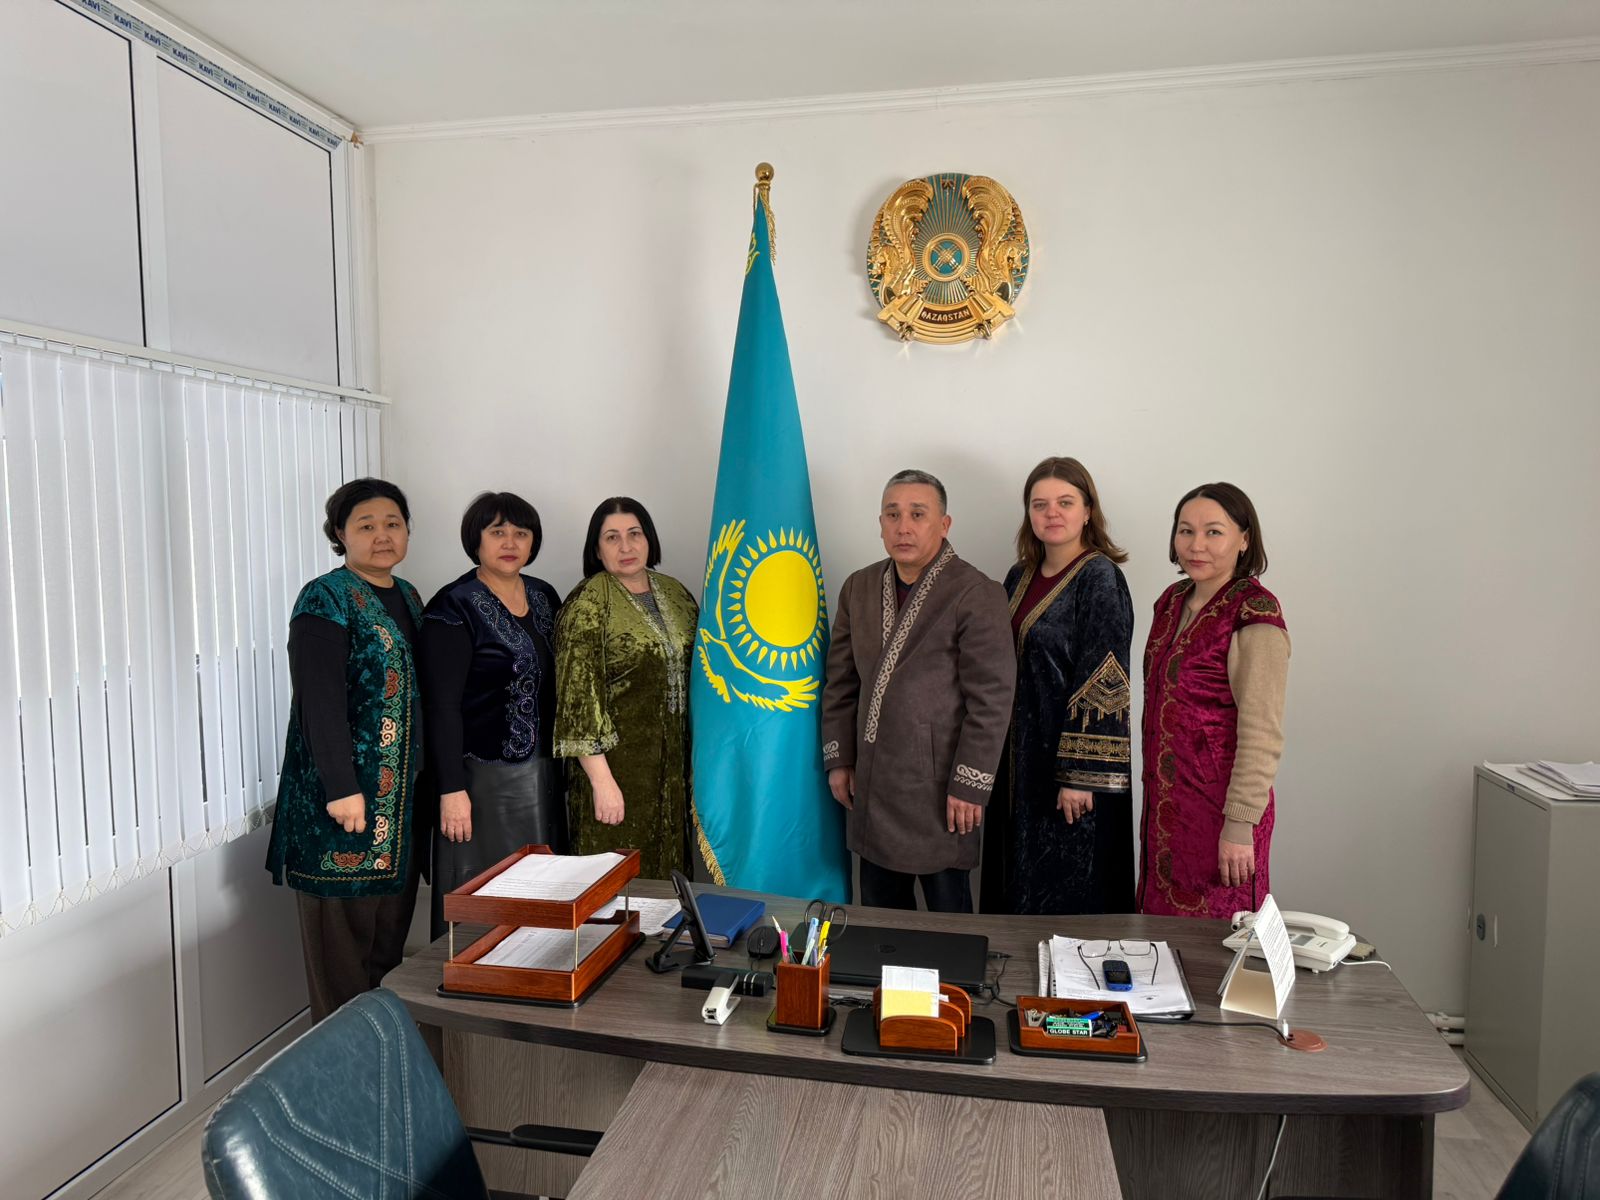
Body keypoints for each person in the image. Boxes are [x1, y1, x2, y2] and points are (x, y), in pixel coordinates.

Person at [820, 469, 1016, 913]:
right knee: (882, 921)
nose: (903, 527)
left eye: (917, 514)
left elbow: (992, 700)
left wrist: (970, 784)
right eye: (892, 514)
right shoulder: (859, 587)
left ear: (943, 525)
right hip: (873, 783)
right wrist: (840, 759)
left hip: (941, 789)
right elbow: (841, 683)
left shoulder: (976, 592)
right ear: (880, 524)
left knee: (950, 926)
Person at [266, 478, 424, 1022]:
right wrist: (341, 788)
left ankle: (383, 1062)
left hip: (396, 813)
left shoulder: (408, 596)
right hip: (342, 808)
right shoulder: (324, 598)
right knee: (341, 970)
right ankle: (341, 1069)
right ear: (340, 533)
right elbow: (319, 702)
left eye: (393, 524)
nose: (383, 536)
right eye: (366, 525)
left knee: (385, 958)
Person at [981, 457, 1135, 916]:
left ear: (1088, 511)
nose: (1052, 513)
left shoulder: (1100, 577)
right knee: (1015, 879)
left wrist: (1080, 775)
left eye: (1065, 502)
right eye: (1040, 504)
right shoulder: (1019, 576)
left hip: (1069, 773)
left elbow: (1106, 677)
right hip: (1017, 760)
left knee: (1065, 887)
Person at [1137, 482, 1290, 918]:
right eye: (1185, 531)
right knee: (1160, 938)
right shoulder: (1171, 602)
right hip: (1166, 813)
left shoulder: (1254, 614)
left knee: (1217, 936)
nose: (1196, 545)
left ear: (1244, 539)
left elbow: (1262, 730)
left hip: (1223, 816)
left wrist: (1239, 824)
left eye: (1213, 532)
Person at [420, 491, 564, 939]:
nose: (510, 542)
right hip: (479, 783)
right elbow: (441, 705)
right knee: (485, 898)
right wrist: (451, 790)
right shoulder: (453, 606)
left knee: (543, 896)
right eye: (497, 532)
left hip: (544, 775)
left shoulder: (544, 595)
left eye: (521, 533)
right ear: (476, 539)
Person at [554, 498, 697, 879]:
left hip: (673, 770)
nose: (626, 546)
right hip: (616, 772)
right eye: (612, 538)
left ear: (649, 539)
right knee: (618, 883)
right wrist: (601, 782)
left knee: (671, 880)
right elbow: (576, 700)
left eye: (635, 534)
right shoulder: (588, 602)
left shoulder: (677, 594)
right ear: (596, 549)